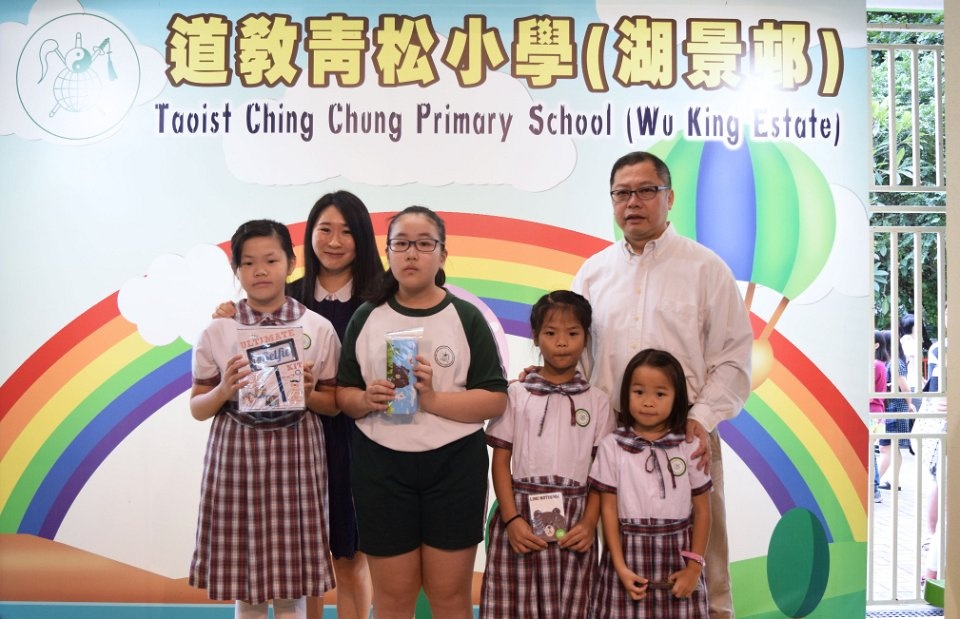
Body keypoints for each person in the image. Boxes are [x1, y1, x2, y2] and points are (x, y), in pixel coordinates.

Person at [572, 151, 752, 619]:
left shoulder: (705, 269)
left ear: (669, 198)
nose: (633, 202)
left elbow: (733, 357)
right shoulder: (593, 273)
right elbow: (576, 356)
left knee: (706, 561)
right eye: (622, 193)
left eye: (646, 190)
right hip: (611, 439)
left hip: (687, 434)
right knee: (614, 557)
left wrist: (700, 419)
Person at [214, 191, 382, 619]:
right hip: (290, 443)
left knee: (349, 555)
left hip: (356, 438)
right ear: (307, 238)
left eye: (347, 231)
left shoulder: (380, 299)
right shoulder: (284, 297)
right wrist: (227, 314)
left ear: (363, 238)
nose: (334, 241)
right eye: (325, 230)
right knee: (301, 560)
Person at [336, 206, 508, 618]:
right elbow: (343, 394)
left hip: (454, 468)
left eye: (424, 244)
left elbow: (494, 399)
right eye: (401, 244)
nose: (411, 253)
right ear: (388, 253)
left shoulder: (466, 316)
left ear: (443, 254)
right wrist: (366, 398)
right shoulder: (367, 316)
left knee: (449, 597)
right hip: (381, 468)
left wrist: (431, 399)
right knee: (393, 600)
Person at [189, 219, 340, 619]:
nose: (260, 270)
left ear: (290, 263)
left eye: (271, 260)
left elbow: (334, 404)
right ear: (236, 270)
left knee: (292, 585)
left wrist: (309, 393)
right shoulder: (218, 330)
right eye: (248, 262)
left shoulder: (317, 327)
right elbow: (197, 407)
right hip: (236, 452)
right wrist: (224, 390)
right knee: (247, 584)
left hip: (297, 451)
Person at [481, 290, 615, 618]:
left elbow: (602, 474)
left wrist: (589, 522)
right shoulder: (516, 394)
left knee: (569, 606)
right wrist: (512, 519)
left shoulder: (597, 402)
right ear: (536, 337)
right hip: (521, 516)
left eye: (573, 333)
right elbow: (501, 462)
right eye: (551, 333)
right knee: (515, 605)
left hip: (574, 523)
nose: (562, 342)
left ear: (586, 338)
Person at [589, 349, 712, 618]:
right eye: (638, 392)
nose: (648, 402)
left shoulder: (689, 446)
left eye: (660, 394)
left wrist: (694, 568)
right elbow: (608, 509)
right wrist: (620, 567)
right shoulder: (612, 446)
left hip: (678, 558)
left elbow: (703, 510)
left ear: (677, 397)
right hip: (626, 558)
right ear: (626, 394)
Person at [876, 330, 915, 490]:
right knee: (891, 447)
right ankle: (893, 481)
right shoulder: (891, 362)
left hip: (895, 408)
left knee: (887, 447)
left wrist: (910, 404)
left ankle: (875, 482)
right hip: (891, 408)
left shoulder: (895, 363)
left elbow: (904, 387)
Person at [870, 331, 887, 504]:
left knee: (869, 451)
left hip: (871, 411)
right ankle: (874, 489)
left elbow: (869, 394)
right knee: (870, 450)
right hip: (878, 412)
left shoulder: (874, 365)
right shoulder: (880, 365)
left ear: (876, 345)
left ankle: (874, 488)